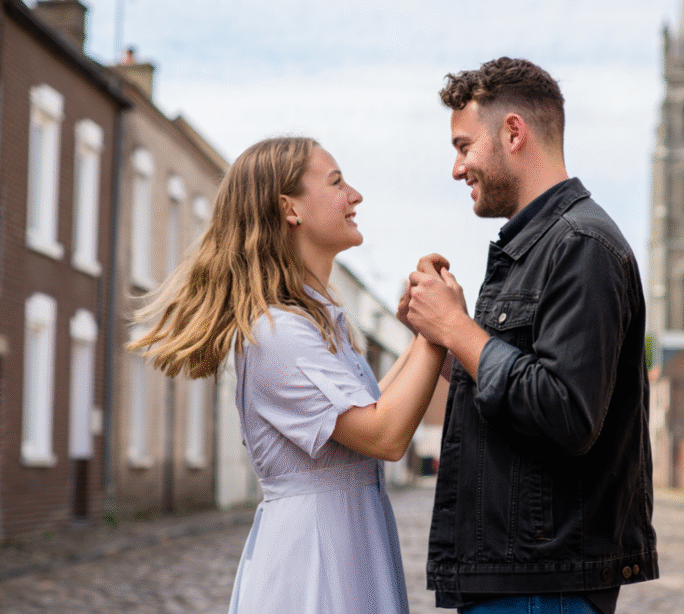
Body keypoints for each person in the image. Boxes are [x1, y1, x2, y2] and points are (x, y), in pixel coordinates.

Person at [128, 137, 452, 613]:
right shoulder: (277, 333)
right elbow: (384, 435)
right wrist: (435, 329)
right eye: (337, 181)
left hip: (343, 550)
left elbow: (365, 415)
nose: (355, 196)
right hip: (314, 569)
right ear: (290, 209)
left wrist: (422, 331)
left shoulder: (315, 322)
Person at [405, 58, 659, 614]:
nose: (456, 168)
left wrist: (458, 327)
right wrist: (447, 341)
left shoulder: (582, 245)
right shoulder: (538, 245)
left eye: (463, 146)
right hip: (523, 580)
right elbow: (521, 387)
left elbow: (565, 411)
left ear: (513, 133)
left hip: (544, 588)